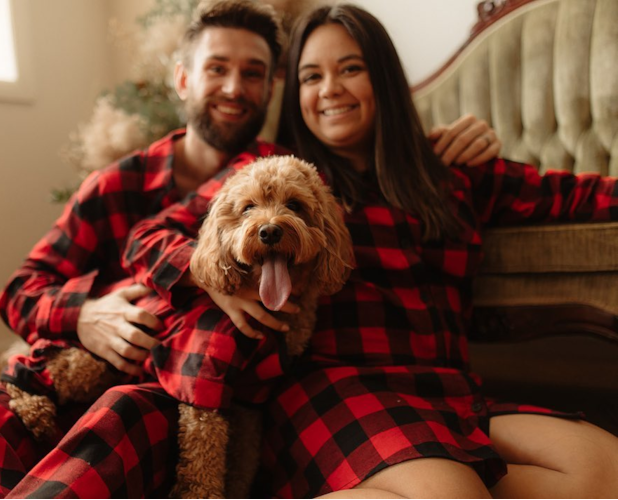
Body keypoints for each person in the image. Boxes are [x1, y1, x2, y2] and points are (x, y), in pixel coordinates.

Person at [0, 2, 499, 498]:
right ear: (183, 79)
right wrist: (86, 314)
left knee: (119, 419)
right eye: (217, 68)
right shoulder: (117, 184)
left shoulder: (276, 174)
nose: (235, 88)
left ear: (271, 89)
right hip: (72, 362)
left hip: (169, 390)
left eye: (254, 73)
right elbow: (19, 292)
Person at [120, 3, 618, 500]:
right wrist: (210, 279)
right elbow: (146, 235)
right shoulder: (277, 176)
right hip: (334, 391)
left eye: (350, 68)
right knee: (452, 494)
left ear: (383, 77)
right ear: (297, 94)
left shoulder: (451, 171)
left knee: (605, 470)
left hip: (449, 390)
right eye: (311, 76)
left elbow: (576, 194)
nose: (330, 88)